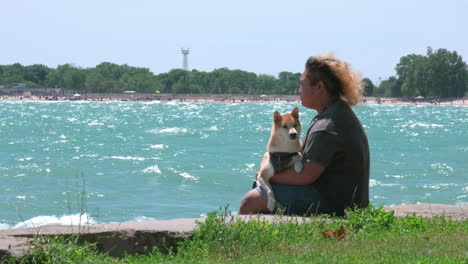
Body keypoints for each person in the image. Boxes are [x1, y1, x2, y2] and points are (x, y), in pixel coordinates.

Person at [239, 53, 369, 217]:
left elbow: (306, 175)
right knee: (263, 193)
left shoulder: (327, 126)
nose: (299, 90)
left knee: (251, 200)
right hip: (347, 200)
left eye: (302, 85)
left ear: (319, 87)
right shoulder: (337, 112)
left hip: (335, 204)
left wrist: (266, 177)